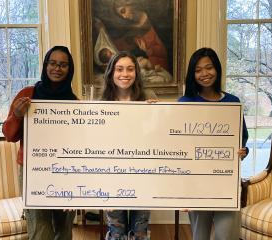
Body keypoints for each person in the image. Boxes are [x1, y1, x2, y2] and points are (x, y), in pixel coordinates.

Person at [2, 46, 77, 240]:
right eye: (52, 63)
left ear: (70, 69)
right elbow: (9, 135)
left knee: (64, 227)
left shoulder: (75, 102)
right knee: (39, 228)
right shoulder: (28, 94)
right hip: (32, 170)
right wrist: (17, 115)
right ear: (45, 65)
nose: (57, 68)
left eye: (63, 65)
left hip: (65, 171)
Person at [178, 47, 248, 240]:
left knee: (227, 236)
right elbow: (176, 147)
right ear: (192, 74)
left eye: (209, 67)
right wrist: (180, 191)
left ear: (217, 69)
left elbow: (242, 138)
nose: (204, 74)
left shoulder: (233, 102)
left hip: (225, 181)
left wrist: (243, 151)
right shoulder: (185, 103)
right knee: (199, 236)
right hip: (196, 182)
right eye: (198, 70)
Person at [102, 51, 156, 240]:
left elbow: (157, 136)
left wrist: (157, 114)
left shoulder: (148, 97)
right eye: (119, 69)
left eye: (130, 69)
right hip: (112, 175)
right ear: (111, 73)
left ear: (136, 73)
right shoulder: (103, 103)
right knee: (116, 232)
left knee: (140, 231)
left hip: (143, 173)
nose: (125, 74)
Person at [112, 0, 169, 72]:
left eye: (123, 11)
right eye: (121, 15)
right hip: (149, 65)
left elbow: (164, 48)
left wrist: (147, 51)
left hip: (160, 63)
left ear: (129, 4)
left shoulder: (153, 17)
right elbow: (123, 45)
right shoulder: (132, 28)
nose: (124, 17)